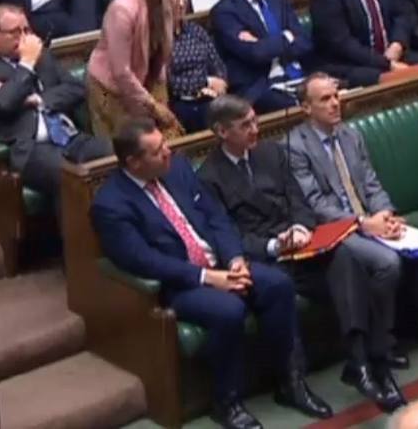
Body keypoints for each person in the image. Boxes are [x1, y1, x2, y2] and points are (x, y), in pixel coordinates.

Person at [91, 118, 328, 429]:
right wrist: (206, 278)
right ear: (134, 162)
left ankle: (290, 381)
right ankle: (226, 402)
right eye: (158, 150)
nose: (168, 151)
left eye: (165, 144)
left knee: (278, 285)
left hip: (220, 264)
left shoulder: (178, 169)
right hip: (180, 283)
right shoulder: (110, 204)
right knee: (229, 309)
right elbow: (142, 260)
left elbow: (216, 218)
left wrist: (234, 260)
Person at [200, 95, 405, 413]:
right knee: (279, 289)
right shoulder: (209, 176)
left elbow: (299, 200)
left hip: (301, 244)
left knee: (347, 259)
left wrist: (299, 226)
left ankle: (362, 362)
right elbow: (225, 233)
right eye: (245, 126)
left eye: (255, 120)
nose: (256, 129)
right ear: (222, 132)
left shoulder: (271, 152)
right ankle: (293, 383)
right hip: (262, 257)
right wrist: (273, 245)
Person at [286, 74, 418, 355]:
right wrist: (363, 224)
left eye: (336, 96)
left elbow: (371, 183)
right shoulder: (295, 146)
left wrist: (386, 214)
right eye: (325, 99)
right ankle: (382, 339)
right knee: (387, 263)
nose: (335, 104)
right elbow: (316, 205)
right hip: (337, 231)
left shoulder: (350, 135)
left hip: (370, 219)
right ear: (306, 108)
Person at [0, 4, 111, 210]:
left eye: (27, 30)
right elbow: (2, 103)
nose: (23, 38)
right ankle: (76, 242)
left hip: (70, 137)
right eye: (15, 32)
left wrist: (38, 99)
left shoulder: (44, 58)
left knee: (115, 156)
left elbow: (76, 89)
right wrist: (26, 64)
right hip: (31, 149)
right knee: (71, 178)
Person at [86, 0, 184, 138]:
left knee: (170, 137)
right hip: (110, 89)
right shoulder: (123, 9)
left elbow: (161, 49)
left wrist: (160, 94)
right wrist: (153, 106)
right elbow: (121, 72)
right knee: (132, 147)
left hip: (147, 79)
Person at [210, 0, 311, 115]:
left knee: (329, 91)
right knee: (304, 106)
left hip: (297, 74)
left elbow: (304, 42)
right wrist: (287, 37)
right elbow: (255, 54)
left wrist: (265, 44)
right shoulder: (225, 11)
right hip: (260, 87)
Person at [168, 0, 229, 133]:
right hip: (180, 102)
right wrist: (205, 82)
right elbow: (169, 82)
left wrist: (221, 84)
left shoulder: (195, 31)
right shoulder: (157, 40)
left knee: (236, 113)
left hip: (210, 95)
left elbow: (217, 64)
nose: (182, 4)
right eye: (175, 0)